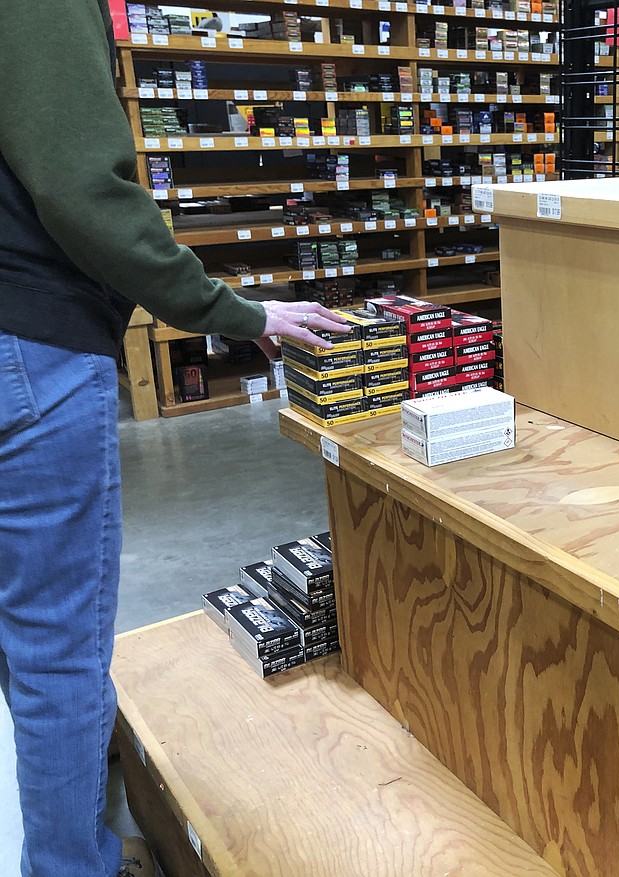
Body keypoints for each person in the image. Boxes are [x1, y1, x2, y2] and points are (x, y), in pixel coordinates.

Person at [0, 2, 351, 875]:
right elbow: (81, 188)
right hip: (26, 341)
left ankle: (67, 822)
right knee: (56, 645)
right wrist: (232, 311)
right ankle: (70, 862)